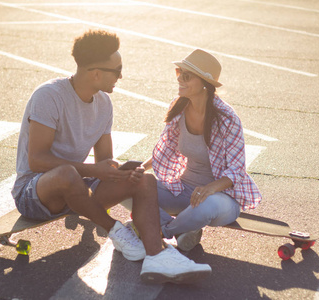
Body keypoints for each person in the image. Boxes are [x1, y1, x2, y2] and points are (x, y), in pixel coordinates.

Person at [11, 30, 211, 284]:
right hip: (35, 193)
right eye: (117, 70)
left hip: (78, 192)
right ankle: (115, 230)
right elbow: (36, 161)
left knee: (143, 180)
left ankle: (156, 255)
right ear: (96, 73)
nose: (121, 76)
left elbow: (104, 162)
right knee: (67, 174)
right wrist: (95, 171)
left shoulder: (104, 103)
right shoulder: (49, 96)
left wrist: (121, 172)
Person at [142, 49, 262, 252]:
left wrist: (210, 189)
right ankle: (183, 229)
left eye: (186, 76)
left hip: (221, 198)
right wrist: (139, 169)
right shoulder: (179, 108)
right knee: (134, 185)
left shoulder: (226, 118)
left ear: (204, 83)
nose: (180, 79)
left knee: (208, 204)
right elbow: (165, 147)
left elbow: (237, 170)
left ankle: (164, 230)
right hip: (184, 191)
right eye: (179, 72)